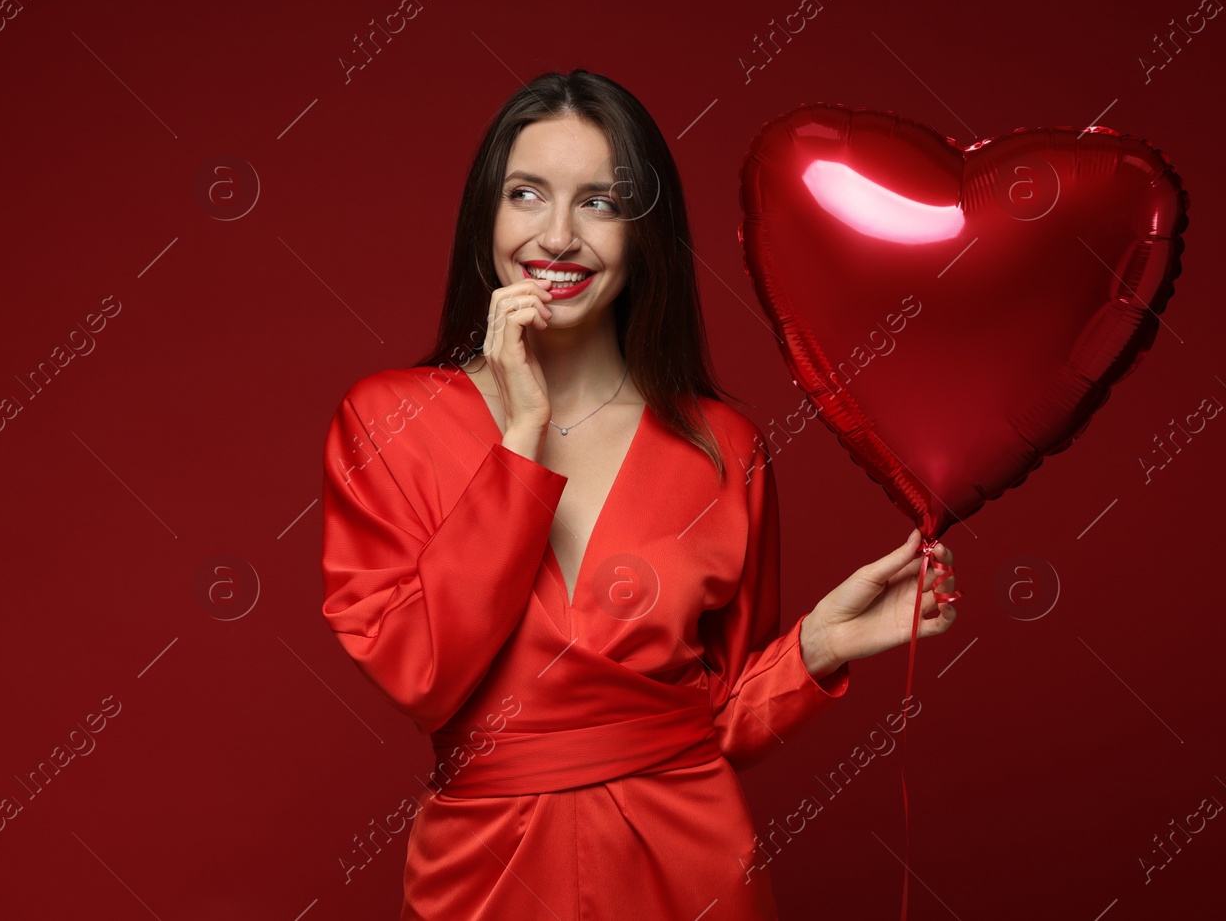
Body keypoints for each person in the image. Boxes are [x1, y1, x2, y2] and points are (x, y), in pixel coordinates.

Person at [319, 69, 959, 920]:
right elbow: (426, 673)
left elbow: (717, 719)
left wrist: (818, 647)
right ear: (487, 214)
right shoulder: (386, 419)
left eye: (599, 202)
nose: (557, 235)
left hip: (689, 864)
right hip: (486, 874)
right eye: (527, 193)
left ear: (644, 231)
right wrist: (522, 437)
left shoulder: (722, 446)